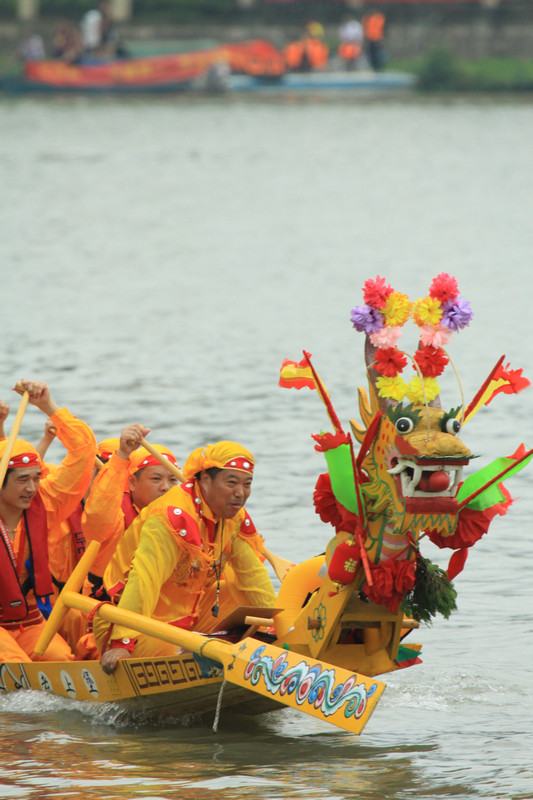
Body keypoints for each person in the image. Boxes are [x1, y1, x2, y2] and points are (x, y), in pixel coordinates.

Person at [97, 441, 276, 673]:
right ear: (204, 480)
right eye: (231, 483)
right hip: (132, 623)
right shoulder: (169, 517)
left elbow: (253, 576)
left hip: (188, 619)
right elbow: (144, 580)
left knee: (237, 593)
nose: (240, 493)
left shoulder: (232, 516)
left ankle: (266, 643)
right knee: (169, 645)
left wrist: (278, 626)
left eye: (247, 484)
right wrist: (122, 643)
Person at [0, 380, 96, 663]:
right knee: (16, 668)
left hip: (30, 621)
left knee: (62, 663)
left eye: (36, 478)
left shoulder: (47, 505)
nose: (32, 488)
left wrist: (47, 406)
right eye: (22, 480)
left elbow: (82, 451)